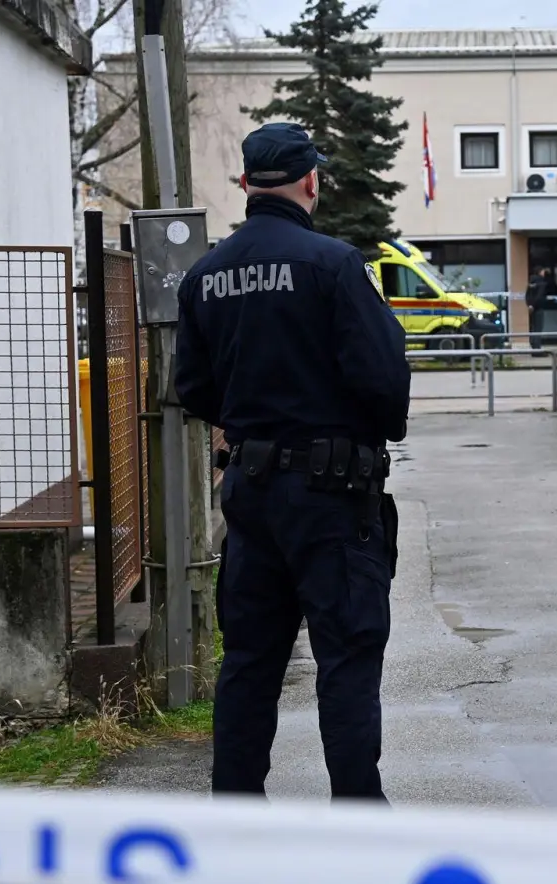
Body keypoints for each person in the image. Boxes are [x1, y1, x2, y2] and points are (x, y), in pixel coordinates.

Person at [175, 122, 410, 802]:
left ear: (246, 185)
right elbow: (383, 378)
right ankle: (359, 812)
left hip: (250, 495)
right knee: (347, 655)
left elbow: (191, 388)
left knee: (249, 661)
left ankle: (237, 810)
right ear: (311, 180)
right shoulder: (334, 264)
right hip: (333, 498)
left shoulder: (205, 276)